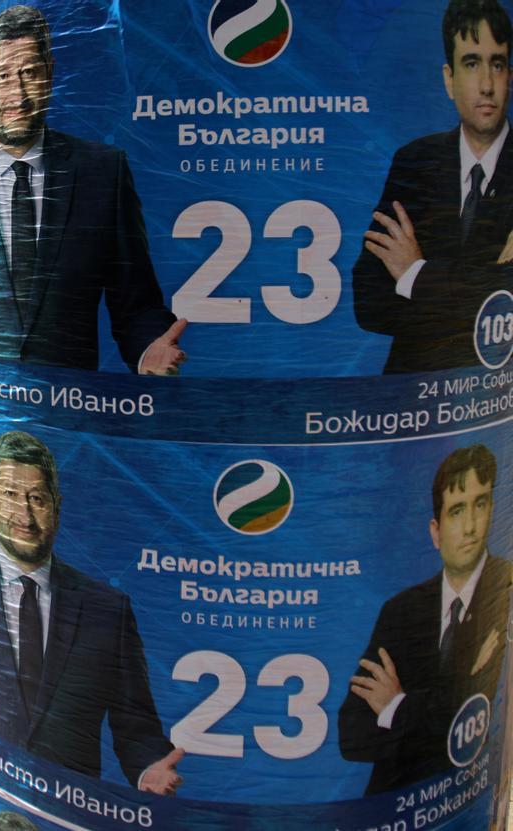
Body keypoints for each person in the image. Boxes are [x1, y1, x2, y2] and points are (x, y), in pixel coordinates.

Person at [0, 5, 187, 374]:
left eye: (29, 73)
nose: (17, 93)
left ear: (51, 74)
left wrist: (148, 348)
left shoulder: (103, 171)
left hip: (70, 406)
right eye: (2, 76)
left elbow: (135, 302)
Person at [0, 431, 183, 792]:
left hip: (69, 796)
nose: (24, 515)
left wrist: (148, 768)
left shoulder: (107, 609)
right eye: (10, 495)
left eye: (37, 499)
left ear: (57, 507)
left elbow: (134, 720)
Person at [339, 444, 510, 794]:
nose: (471, 527)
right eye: (458, 511)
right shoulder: (401, 610)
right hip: (387, 807)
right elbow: (352, 734)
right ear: (436, 531)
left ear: (494, 509)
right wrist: (430, 719)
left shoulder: (503, 584)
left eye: (481, 504)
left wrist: (397, 706)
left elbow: (473, 708)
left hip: (457, 799)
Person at [353, 0, 513, 373]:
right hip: (410, 400)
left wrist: (413, 273)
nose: (487, 85)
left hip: (490, 401)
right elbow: (369, 301)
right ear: (449, 79)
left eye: (498, 64)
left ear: (510, 76)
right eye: (472, 64)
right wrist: (480, 288)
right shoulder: (415, 160)